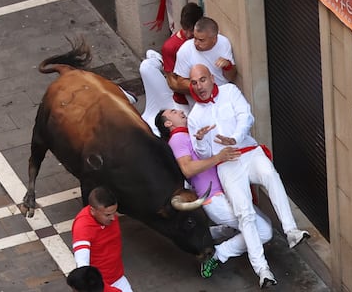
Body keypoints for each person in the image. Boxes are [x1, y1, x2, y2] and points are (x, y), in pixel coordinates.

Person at [187, 64, 310, 285]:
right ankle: (262, 270)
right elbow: (202, 154)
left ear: (212, 79)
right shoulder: (195, 116)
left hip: (248, 151)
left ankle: (291, 230)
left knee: (270, 175)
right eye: (195, 83)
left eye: (202, 80)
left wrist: (234, 138)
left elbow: (247, 117)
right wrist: (200, 139)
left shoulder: (230, 91)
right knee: (245, 215)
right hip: (227, 163)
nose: (199, 86)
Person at [154, 108, 275, 287]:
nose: (180, 111)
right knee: (264, 231)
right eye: (173, 112)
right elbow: (187, 169)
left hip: (225, 194)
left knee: (260, 225)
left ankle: (213, 234)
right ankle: (219, 254)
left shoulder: (188, 135)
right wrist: (219, 157)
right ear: (168, 123)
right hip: (216, 199)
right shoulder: (178, 139)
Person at [140, 2, 204, 135]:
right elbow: (172, 84)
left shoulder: (206, 40)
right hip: (182, 100)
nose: (188, 34)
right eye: (185, 28)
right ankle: (155, 61)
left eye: (192, 30)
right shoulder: (170, 46)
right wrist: (199, 87)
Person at [72, 187, 133, 292]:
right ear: (92, 210)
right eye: (108, 215)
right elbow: (83, 267)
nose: (113, 218)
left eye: (114, 212)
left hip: (118, 278)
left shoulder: (108, 216)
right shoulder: (82, 228)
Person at [173, 16, 237, 94]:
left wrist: (228, 66)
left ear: (214, 39)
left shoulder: (224, 43)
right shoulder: (185, 50)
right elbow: (181, 82)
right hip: (200, 99)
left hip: (224, 93)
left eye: (201, 40)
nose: (196, 43)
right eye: (195, 38)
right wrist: (202, 87)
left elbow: (231, 77)